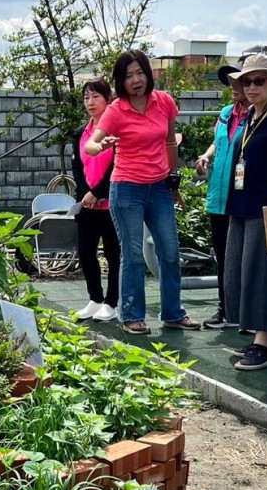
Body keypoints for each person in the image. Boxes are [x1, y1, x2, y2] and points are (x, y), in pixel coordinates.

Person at [86, 50, 201, 336]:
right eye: (128, 76)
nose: (135, 80)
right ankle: (132, 315)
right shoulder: (115, 110)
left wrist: (174, 184)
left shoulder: (164, 102)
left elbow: (170, 142)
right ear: (120, 81)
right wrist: (100, 146)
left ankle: (173, 313)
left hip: (159, 187)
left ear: (148, 73)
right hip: (126, 189)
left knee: (170, 252)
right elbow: (91, 144)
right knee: (134, 254)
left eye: (140, 73)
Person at [223, 55, 267, 371]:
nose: (251, 87)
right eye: (246, 81)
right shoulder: (250, 114)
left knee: (262, 272)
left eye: (258, 81)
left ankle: (261, 341)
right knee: (242, 269)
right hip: (242, 201)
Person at [196, 64, 249, 329]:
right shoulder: (227, 113)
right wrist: (206, 156)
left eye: (236, 83)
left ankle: (243, 311)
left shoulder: (256, 115)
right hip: (218, 194)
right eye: (230, 83)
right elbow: (218, 141)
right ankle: (225, 307)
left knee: (241, 256)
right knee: (222, 254)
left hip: (241, 196)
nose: (232, 89)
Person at [71, 78, 119, 322]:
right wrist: (85, 193)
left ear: (107, 99)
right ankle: (95, 298)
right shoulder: (81, 132)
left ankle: (111, 303)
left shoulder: (115, 130)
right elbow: (77, 166)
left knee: (113, 253)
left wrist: (97, 192)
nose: (90, 102)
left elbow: (116, 166)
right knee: (85, 251)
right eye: (86, 97)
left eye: (95, 96)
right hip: (87, 203)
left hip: (112, 203)